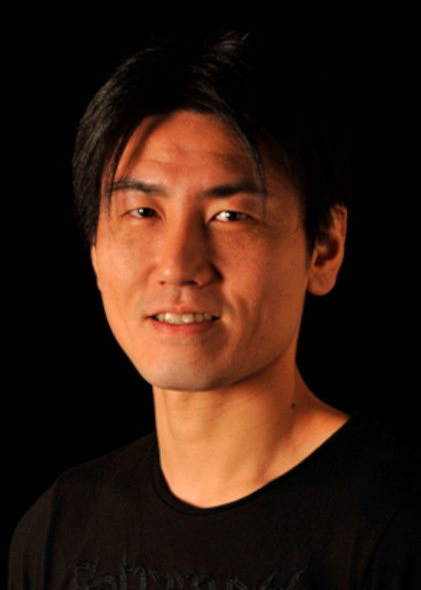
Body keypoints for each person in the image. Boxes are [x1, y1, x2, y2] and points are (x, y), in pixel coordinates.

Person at [8, 29, 420, 589]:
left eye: (231, 216)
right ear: (95, 251)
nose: (178, 265)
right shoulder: (60, 530)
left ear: (324, 247)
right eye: (143, 212)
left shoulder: (396, 529)